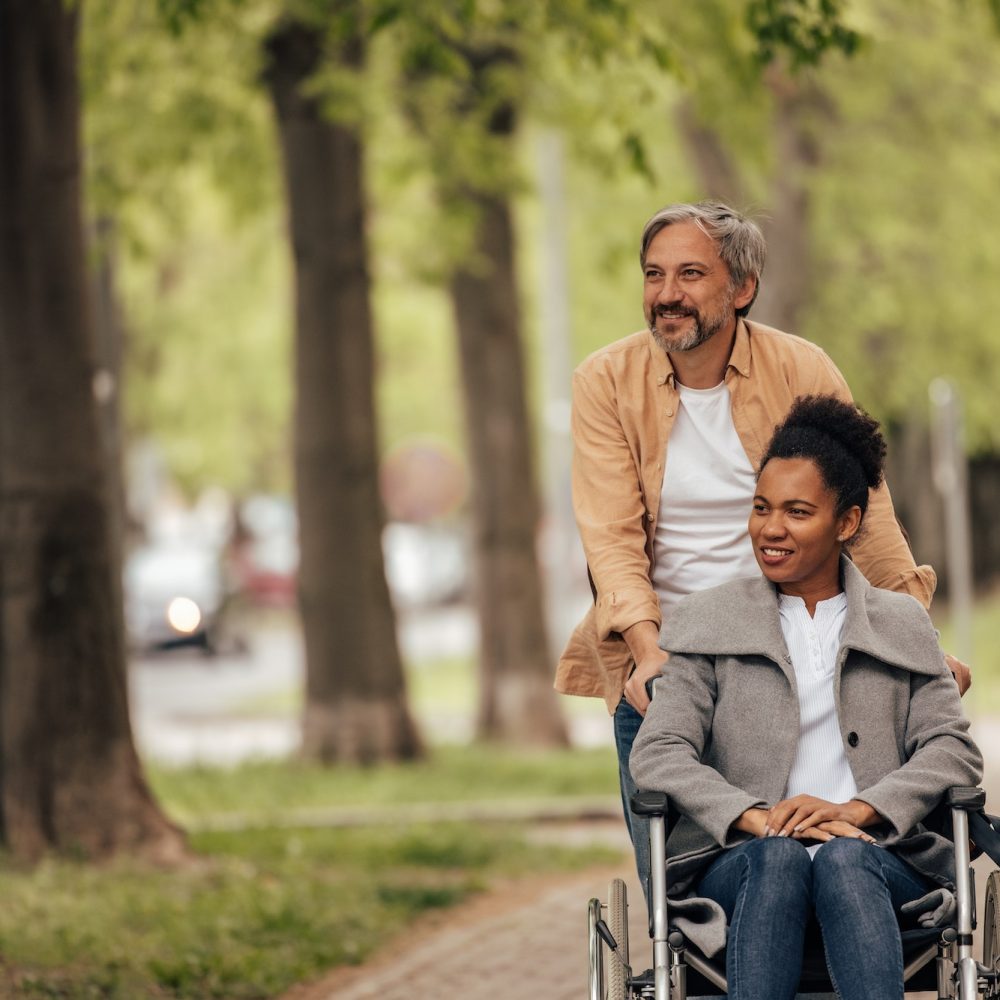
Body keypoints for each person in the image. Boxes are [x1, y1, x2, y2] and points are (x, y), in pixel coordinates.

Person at [553, 200, 971, 901]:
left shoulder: (800, 367)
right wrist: (650, 649)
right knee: (684, 898)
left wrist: (914, 638)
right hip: (671, 659)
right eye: (654, 274)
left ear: (741, 288)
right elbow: (610, 535)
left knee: (827, 857)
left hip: (793, 647)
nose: (666, 294)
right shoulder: (605, 381)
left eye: (690, 274)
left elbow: (867, 521)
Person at [629, 395, 983, 1000]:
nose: (770, 528)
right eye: (762, 508)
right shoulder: (706, 620)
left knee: (846, 860)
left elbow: (953, 750)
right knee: (779, 858)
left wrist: (859, 811)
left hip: (880, 854)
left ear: (845, 522)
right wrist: (757, 818)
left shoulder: (900, 623)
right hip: (742, 859)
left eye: (797, 511)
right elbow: (658, 752)